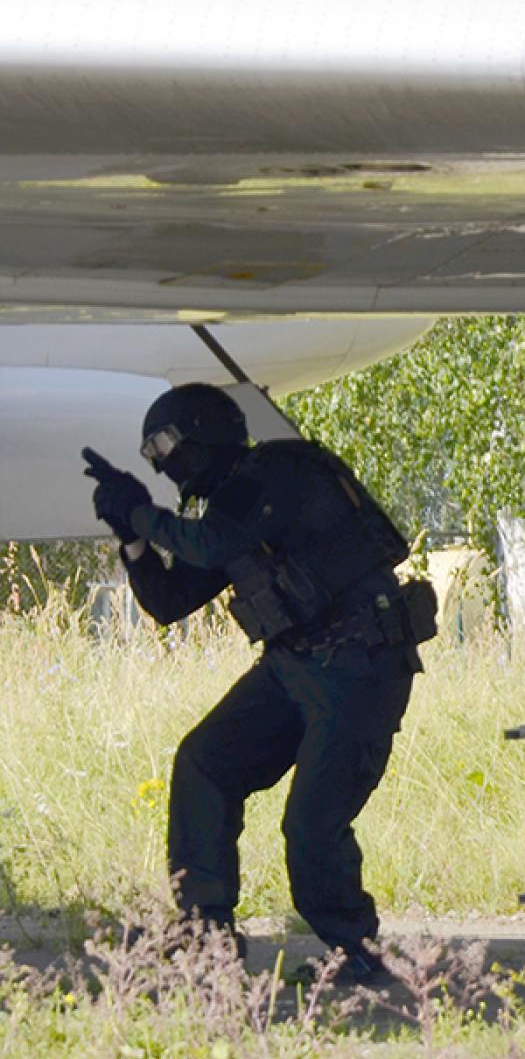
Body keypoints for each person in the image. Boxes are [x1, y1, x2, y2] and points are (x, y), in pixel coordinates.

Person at [83, 383, 434, 984]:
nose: (163, 463)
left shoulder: (278, 472)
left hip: (359, 666)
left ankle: (357, 954)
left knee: (311, 824)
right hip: (295, 667)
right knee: (205, 762)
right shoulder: (230, 511)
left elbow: (211, 542)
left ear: (204, 433)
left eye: (166, 446)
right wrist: (133, 538)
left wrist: (142, 511)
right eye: (151, 456)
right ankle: (206, 939)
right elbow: (169, 600)